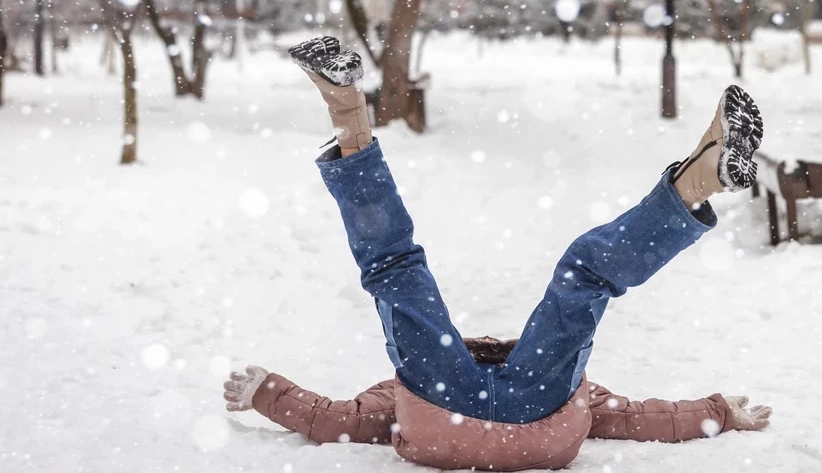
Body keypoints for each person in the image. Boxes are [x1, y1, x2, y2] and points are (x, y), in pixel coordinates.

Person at [224, 36, 770, 471]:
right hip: (541, 426)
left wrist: (267, 394)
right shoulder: (553, 380)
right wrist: (719, 413)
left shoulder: (404, 389)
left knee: (416, 269)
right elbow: (640, 420)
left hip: (446, 420)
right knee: (399, 267)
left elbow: (333, 420)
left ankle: (346, 106)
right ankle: (699, 179)